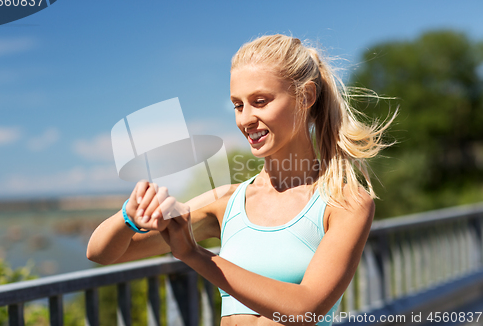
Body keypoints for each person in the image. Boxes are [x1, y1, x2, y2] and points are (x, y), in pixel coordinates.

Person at [87, 34, 395, 326]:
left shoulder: (344, 203)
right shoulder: (227, 202)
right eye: (238, 105)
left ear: (306, 97)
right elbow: (104, 253)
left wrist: (194, 254)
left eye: (260, 101)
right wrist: (129, 215)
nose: (245, 118)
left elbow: (306, 308)